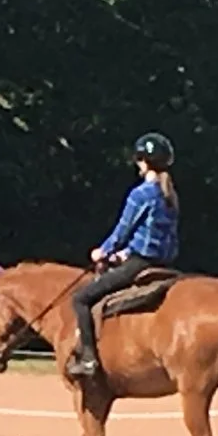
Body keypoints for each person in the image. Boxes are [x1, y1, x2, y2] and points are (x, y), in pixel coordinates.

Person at [67, 134, 182, 379]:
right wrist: (125, 253)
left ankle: (88, 358)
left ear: (142, 162)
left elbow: (122, 230)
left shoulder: (141, 194)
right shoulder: (169, 195)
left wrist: (103, 250)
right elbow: (155, 235)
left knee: (81, 299)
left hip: (140, 263)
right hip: (163, 262)